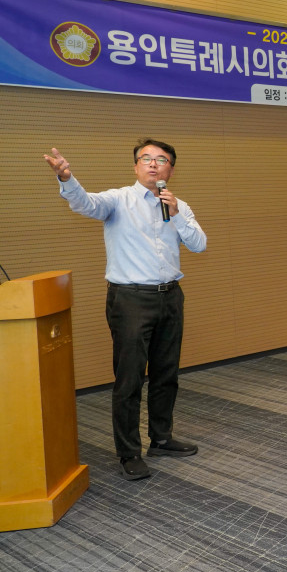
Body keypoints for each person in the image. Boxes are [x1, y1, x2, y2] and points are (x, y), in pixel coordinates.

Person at [44, 140, 206, 481]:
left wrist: (176, 215)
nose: (153, 164)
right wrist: (67, 178)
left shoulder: (177, 206)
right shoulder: (119, 200)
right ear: (135, 167)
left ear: (170, 170)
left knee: (167, 373)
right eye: (145, 159)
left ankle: (161, 438)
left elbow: (199, 245)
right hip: (130, 299)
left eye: (161, 160)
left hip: (170, 297)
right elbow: (84, 204)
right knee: (130, 377)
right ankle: (128, 452)